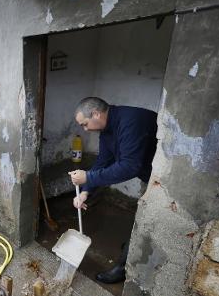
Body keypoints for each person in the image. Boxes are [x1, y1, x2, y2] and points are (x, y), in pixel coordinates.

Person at [68, 97, 158, 284]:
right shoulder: (106, 128)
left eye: (85, 124)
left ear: (96, 114)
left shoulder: (131, 122)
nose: (85, 130)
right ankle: (135, 243)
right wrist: (85, 190)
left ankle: (122, 268)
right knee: (142, 221)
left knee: (145, 221)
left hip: (162, 180)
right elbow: (104, 160)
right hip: (148, 175)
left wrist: (89, 177)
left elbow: (129, 166)